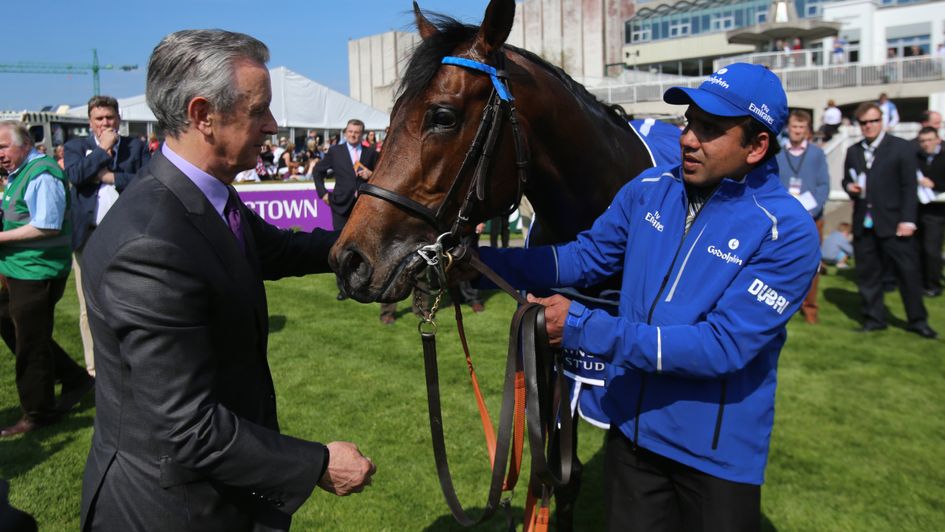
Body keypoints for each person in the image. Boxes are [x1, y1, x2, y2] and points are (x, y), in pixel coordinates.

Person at [476, 63, 821, 531]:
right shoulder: (649, 190)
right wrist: (478, 264)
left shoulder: (788, 231)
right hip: (632, 440)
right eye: (689, 121)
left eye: (711, 129)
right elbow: (585, 257)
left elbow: (721, 347)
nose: (688, 139)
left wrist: (582, 327)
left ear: (757, 146)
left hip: (716, 461)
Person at [78, 30, 375, 531]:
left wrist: (365, 248)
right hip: (171, 510)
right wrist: (318, 464)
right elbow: (188, 427)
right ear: (202, 115)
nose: (274, 125)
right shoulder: (150, 245)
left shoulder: (206, 196)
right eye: (259, 110)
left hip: (217, 494)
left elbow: (276, 248)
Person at [0, 121, 94, 437]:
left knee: (30, 344)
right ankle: (75, 378)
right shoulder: (20, 173)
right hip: (19, 269)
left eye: (3, 147)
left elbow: (47, 225)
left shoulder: (42, 173)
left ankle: (39, 413)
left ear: (25, 143)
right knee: (16, 328)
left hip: (38, 271)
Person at [63, 95, 150, 377]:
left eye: (109, 118)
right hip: (88, 236)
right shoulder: (76, 147)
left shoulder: (135, 146)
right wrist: (102, 150)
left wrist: (110, 177)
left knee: (132, 299)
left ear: (118, 119)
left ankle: (135, 362)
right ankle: (95, 370)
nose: (105, 123)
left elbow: (147, 180)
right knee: (90, 306)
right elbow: (75, 175)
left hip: (128, 235)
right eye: (99, 119)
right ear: (90, 122)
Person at [842, 102, 936, 338]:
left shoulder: (901, 148)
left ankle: (917, 320)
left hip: (895, 223)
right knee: (868, 275)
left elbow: (909, 186)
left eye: (873, 121)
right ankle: (874, 318)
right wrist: (849, 187)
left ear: (881, 121)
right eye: (864, 123)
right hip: (864, 224)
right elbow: (847, 180)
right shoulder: (853, 151)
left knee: (908, 274)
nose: (869, 126)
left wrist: (908, 220)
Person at [314, 118, 378, 300]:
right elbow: (317, 171)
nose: (353, 135)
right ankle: (343, 288)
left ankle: (363, 283)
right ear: (345, 133)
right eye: (350, 131)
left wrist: (370, 174)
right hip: (340, 205)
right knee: (341, 246)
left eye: (357, 132)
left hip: (364, 206)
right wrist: (322, 194)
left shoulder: (371, 153)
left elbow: (382, 176)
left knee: (365, 246)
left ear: (362, 134)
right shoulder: (335, 152)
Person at [776, 109, 830, 324]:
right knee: (781, 263)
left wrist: (809, 211)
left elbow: (823, 186)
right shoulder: (778, 154)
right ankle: (781, 306)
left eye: (801, 128)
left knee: (812, 265)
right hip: (785, 219)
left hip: (812, 218)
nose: (797, 131)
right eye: (794, 127)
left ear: (807, 131)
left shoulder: (817, 154)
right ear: (788, 128)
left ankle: (810, 309)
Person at [916, 126, 945, 297]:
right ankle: (921, 281)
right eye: (923, 141)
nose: (926, 144)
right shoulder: (916, 158)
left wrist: (935, 185)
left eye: (929, 140)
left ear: (937, 139)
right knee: (918, 247)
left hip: (937, 211)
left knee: (931, 249)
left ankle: (933, 285)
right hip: (918, 208)